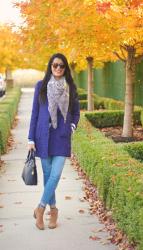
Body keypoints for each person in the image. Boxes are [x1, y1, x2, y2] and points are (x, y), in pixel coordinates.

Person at [28, 53, 80, 230]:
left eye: (61, 66)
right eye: (55, 65)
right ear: (50, 66)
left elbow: (76, 113)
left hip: (61, 137)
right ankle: (54, 210)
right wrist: (30, 138)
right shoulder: (40, 86)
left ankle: (40, 209)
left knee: (56, 175)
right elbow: (35, 113)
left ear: (65, 68)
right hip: (43, 136)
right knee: (48, 176)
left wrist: (70, 127)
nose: (58, 68)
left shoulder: (70, 87)